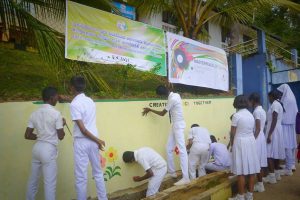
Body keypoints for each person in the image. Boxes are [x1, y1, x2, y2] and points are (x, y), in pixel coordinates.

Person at [142, 85, 190, 186]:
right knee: (168, 148)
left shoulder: (172, 99)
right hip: (175, 125)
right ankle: (172, 172)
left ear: (162, 95)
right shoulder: (175, 95)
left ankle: (186, 178)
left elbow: (162, 113)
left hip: (178, 125)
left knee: (182, 151)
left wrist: (150, 109)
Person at [69, 76, 107, 200]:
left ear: (72, 87)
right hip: (94, 141)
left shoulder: (74, 104)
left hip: (83, 142)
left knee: (81, 177)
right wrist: (97, 140)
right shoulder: (90, 101)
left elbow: (83, 130)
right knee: (98, 173)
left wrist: (98, 140)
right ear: (84, 87)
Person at [25, 87, 65, 200]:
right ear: (51, 98)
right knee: (50, 184)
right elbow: (61, 136)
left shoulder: (34, 113)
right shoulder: (56, 114)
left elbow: (27, 135)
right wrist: (62, 124)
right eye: (57, 96)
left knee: (33, 181)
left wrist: (40, 136)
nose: (58, 98)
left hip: (37, 148)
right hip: (48, 150)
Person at [229, 95, 260, 200]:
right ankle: (250, 195)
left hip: (240, 142)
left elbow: (232, 133)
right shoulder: (250, 114)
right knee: (251, 170)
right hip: (250, 142)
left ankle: (241, 196)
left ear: (236, 103)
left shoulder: (236, 116)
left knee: (241, 171)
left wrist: (232, 145)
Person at [263, 90, 285, 184]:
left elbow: (274, 119)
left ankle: (271, 176)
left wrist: (269, 134)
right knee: (275, 152)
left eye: (269, 97)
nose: (268, 99)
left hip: (273, 130)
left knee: (269, 154)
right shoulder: (278, 104)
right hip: (277, 129)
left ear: (272, 96)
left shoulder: (275, 105)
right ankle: (277, 174)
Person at [248, 93, 268, 192]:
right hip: (261, 137)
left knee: (257, 162)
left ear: (253, 101)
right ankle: (260, 184)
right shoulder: (262, 110)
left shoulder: (256, 112)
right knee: (259, 161)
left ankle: (260, 185)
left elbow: (258, 128)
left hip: (257, 137)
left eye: (249, 101)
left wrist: (252, 140)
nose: (249, 103)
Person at [277, 84, 298, 175]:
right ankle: (291, 164)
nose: (280, 94)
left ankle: (288, 169)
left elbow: (281, 111)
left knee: (287, 146)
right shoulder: (292, 98)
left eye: (281, 93)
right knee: (291, 145)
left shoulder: (286, 99)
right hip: (291, 124)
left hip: (285, 125)